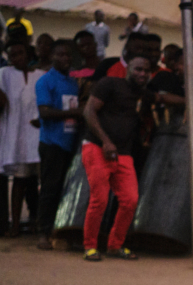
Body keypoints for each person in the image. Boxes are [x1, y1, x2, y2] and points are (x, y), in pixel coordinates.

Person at [80, 55, 151, 261]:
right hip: (97, 147)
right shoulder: (109, 84)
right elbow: (89, 111)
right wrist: (105, 141)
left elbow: (162, 99)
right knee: (99, 199)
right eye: (138, 69)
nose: (142, 74)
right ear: (127, 68)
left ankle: (114, 245)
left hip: (123, 152)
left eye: (146, 71)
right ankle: (90, 246)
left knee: (130, 200)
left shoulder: (142, 94)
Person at [35, 39, 82, 250]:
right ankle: (42, 232)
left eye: (68, 55)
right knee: (49, 188)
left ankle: (58, 230)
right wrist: (75, 113)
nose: (65, 58)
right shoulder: (45, 81)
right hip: (52, 143)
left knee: (64, 188)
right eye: (61, 55)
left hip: (69, 142)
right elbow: (44, 112)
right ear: (52, 56)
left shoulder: (73, 82)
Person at [0, 40, 42, 238]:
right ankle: (15, 225)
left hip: (40, 134)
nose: (16, 58)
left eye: (20, 53)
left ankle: (40, 224)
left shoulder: (41, 75)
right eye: (11, 54)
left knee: (41, 181)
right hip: (17, 136)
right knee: (20, 181)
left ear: (29, 54)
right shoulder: (4, 75)